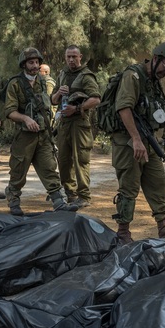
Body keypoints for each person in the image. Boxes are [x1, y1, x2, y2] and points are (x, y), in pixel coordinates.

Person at [110, 41, 165, 243]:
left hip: (148, 140)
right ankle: (123, 233)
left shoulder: (152, 81)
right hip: (129, 141)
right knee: (129, 188)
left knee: (157, 183)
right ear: (156, 58)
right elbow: (124, 108)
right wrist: (136, 140)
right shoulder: (133, 76)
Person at [3, 47, 78, 216]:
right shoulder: (15, 84)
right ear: (24, 64)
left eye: (37, 62)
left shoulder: (43, 82)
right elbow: (9, 111)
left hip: (43, 134)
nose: (35, 65)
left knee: (50, 169)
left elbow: (49, 102)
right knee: (18, 171)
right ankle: (13, 199)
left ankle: (59, 202)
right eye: (31, 62)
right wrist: (25, 119)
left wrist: (58, 94)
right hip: (24, 137)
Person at [50, 45, 101, 208]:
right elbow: (53, 100)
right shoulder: (63, 74)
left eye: (74, 56)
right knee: (64, 160)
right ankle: (70, 194)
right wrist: (59, 93)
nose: (71, 60)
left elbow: (96, 99)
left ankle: (84, 196)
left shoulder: (86, 76)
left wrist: (77, 108)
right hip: (64, 123)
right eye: (68, 57)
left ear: (80, 56)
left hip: (80, 123)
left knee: (81, 159)